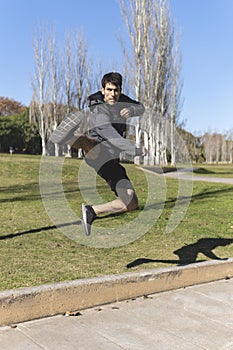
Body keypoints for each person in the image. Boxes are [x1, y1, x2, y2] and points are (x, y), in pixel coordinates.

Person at [69, 72, 146, 236]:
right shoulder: (98, 108)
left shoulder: (122, 100)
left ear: (120, 90)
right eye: (109, 90)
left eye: (116, 90)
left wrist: (131, 110)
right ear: (102, 90)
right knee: (91, 143)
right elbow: (110, 135)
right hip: (99, 148)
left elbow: (141, 107)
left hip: (111, 161)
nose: (113, 94)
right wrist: (135, 150)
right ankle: (70, 138)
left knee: (131, 202)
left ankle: (92, 211)